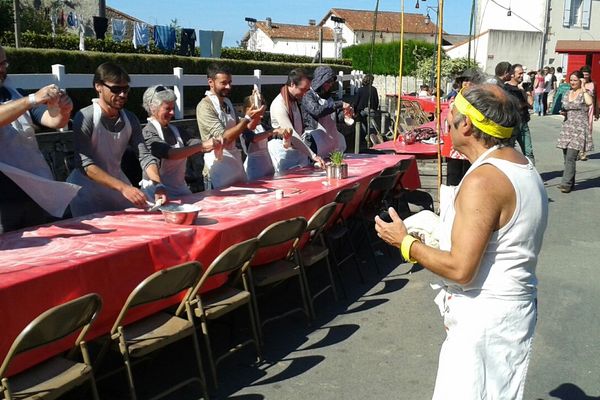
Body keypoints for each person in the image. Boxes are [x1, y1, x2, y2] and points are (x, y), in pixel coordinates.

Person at [375, 84, 548, 399]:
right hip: (502, 314)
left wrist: (403, 242)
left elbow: (461, 269)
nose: (447, 120)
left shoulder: (484, 180)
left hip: (486, 319)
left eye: (451, 114)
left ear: (466, 124)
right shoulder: (521, 166)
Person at [0, 45, 80, 232]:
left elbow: (53, 121)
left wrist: (62, 110)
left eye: (3, 63)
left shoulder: (14, 93)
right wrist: (32, 99)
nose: (2, 68)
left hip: (32, 192)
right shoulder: (24, 99)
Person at [67, 62, 163, 216]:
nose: (122, 95)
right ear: (98, 86)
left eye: (126, 89)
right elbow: (85, 164)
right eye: (116, 89)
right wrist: (123, 188)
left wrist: (158, 184)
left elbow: (144, 156)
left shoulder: (130, 119)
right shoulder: (85, 117)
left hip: (117, 187)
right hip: (87, 191)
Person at [140, 84, 220, 198]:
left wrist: (213, 143)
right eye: (167, 109)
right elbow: (170, 154)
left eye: (173, 108)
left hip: (180, 189)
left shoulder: (175, 130)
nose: (172, 113)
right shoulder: (148, 132)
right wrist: (202, 145)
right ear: (153, 109)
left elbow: (193, 144)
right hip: (157, 192)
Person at [196, 63, 264, 189]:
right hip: (216, 166)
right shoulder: (205, 106)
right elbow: (223, 138)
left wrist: (256, 114)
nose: (228, 86)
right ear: (210, 82)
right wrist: (247, 118)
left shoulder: (227, 103)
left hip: (235, 164)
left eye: (230, 82)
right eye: (223, 83)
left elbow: (245, 128)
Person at [269, 68, 325, 172]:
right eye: (302, 89)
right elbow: (292, 134)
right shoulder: (279, 104)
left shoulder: (295, 100)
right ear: (292, 84)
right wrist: (313, 155)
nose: (305, 94)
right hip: (283, 151)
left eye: (307, 90)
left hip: (299, 149)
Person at [301, 66, 350, 158]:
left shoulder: (329, 97)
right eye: (328, 82)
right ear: (320, 81)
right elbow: (317, 111)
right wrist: (339, 104)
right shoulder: (308, 96)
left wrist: (346, 115)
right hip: (314, 140)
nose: (330, 84)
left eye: (332, 82)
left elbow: (335, 117)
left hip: (331, 139)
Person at [557, 71, 594, 193]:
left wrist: (583, 88)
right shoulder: (568, 93)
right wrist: (563, 112)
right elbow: (564, 107)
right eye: (571, 80)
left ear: (580, 81)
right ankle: (570, 182)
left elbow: (589, 103)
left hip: (578, 128)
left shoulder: (585, 93)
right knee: (566, 156)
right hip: (567, 127)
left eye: (575, 80)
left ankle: (566, 184)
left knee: (571, 157)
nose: (572, 82)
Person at [240, 94, 288, 181]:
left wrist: (283, 133)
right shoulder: (243, 126)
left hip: (268, 164)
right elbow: (254, 138)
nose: (261, 115)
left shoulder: (262, 125)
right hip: (254, 169)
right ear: (248, 110)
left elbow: (273, 135)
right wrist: (273, 131)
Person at [504, 63, 535, 163]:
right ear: (512, 74)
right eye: (520, 73)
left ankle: (531, 175)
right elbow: (514, 105)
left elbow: (531, 104)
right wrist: (524, 103)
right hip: (512, 125)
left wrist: (526, 91)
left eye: (523, 73)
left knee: (528, 152)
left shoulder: (522, 88)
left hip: (523, 123)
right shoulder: (506, 88)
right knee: (509, 152)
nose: (522, 75)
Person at [578, 65, 599, 161]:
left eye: (587, 75)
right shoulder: (577, 83)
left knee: (587, 131)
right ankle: (577, 151)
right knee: (578, 130)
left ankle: (583, 152)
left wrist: (597, 112)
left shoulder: (593, 84)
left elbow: (595, 99)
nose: (585, 76)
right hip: (579, 109)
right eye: (584, 75)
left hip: (590, 109)